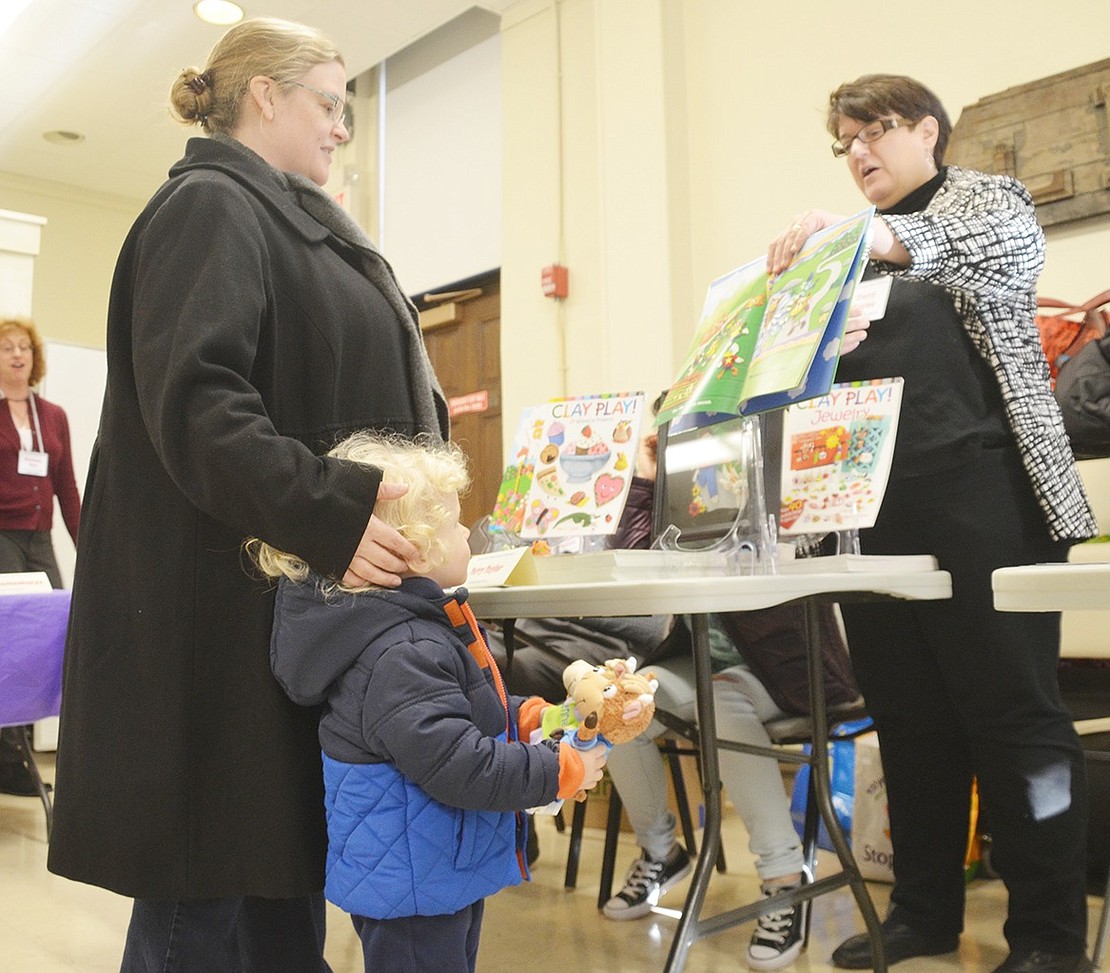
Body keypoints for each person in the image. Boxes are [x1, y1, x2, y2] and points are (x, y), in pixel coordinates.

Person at [47, 18, 449, 973]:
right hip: (212, 634)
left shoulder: (277, 215)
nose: (343, 127)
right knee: (206, 915)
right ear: (264, 95)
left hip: (269, 623)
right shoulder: (210, 208)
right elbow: (201, 409)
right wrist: (337, 509)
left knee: (272, 904)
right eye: (330, 103)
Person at [765, 74, 1099, 973]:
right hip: (870, 511)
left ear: (927, 131)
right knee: (908, 718)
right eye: (844, 143)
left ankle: (1049, 936)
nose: (858, 153)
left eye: (872, 131)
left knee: (1015, 717)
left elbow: (957, 245)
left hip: (984, 497)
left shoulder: (988, 201)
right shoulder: (854, 256)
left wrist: (853, 238)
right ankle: (923, 914)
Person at [487, 420, 860, 971]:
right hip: (708, 667)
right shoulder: (677, 508)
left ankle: (783, 879)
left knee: (721, 698)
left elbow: (785, 578)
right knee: (625, 706)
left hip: (790, 671)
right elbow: (635, 553)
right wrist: (644, 480)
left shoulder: (761, 489)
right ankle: (662, 852)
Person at [250, 431, 606, 973]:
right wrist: (558, 770)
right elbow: (457, 763)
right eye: (455, 523)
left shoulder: (417, 630)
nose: (467, 532)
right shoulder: (403, 651)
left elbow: (467, 713)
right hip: (414, 883)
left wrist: (532, 718)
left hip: (434, 866)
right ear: (411, 549)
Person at [0, 316, 81, 796]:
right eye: (7, 347)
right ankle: (5, 763)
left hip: (40, 541)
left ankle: (23, 762)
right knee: (6, 648)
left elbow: (66, 487)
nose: (16, 355)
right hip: (2, 541)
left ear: (34, 357)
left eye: (24, 347)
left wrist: (88, 546)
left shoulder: (52, 415)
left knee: (43, 647)